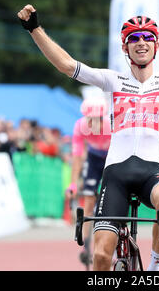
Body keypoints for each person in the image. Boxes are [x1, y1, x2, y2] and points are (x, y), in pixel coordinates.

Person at [18, 2, 159, 271]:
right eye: (133, 39)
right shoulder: (112, 80)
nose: (141, 42)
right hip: (116, 175)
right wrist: (35, 29)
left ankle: (154, 266)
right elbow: (67, 66)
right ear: (125, 47)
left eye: (147, 37)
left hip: (151, 171)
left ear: (156, 46)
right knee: (101, 257)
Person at [65, 97, 111, 266]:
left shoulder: (110, 125)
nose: (93, 123)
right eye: (89, 119)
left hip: (111, 157)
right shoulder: (79, 126)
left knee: (111, 195)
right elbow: (77, 157)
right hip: (93, 158)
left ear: (103, 116)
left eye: (97, 119)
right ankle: (86, 245)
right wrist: (73, 184)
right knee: (89, 199)